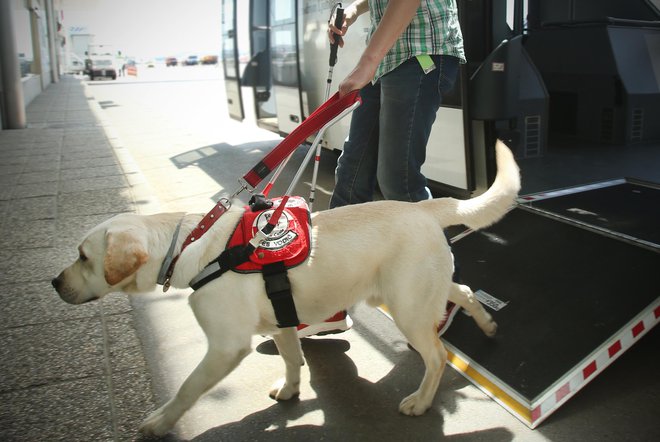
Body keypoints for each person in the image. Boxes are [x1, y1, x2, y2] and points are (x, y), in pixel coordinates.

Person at [299, 0, 465, 338]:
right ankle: (331, 301)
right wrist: (354, 9)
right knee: (351, 179)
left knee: (398, 182)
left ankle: (446, 292)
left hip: (420, 54)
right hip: (389, 61)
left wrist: (366, 62)